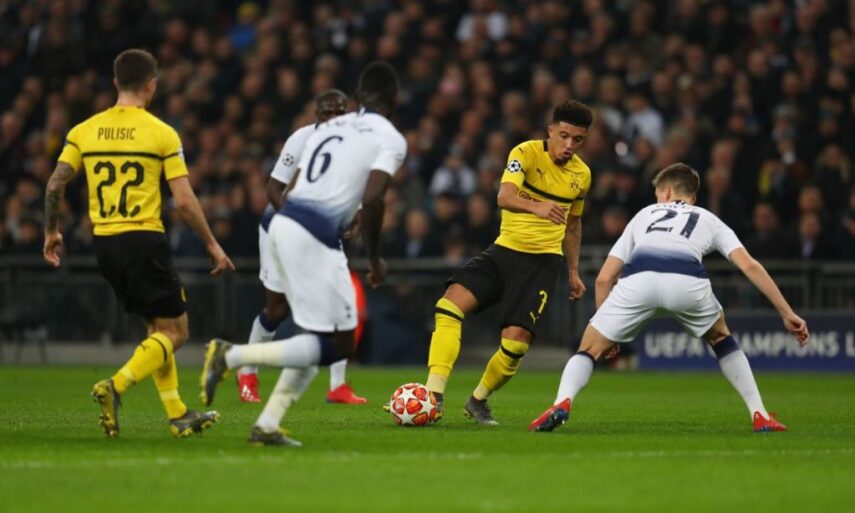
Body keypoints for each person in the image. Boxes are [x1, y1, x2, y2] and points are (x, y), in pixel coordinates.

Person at [200, 61, 406, 446]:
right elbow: (375, 197)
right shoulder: (390, 137)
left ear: (357, 99)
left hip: (287, 223)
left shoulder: (330, 128)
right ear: (394, 99)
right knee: (339, 343)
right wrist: (375, 258)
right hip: (313, 232)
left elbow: (303, 182)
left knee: (324, 337)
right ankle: (231, 356)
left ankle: (267, 424)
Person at [529, 163, 810, 433]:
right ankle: (759, 414)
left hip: (639, 280)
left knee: (588, 349)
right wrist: (786, 312)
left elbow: (604, 278)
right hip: (687, 282)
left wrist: (608, 329)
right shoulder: (709, 218)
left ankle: (562, 402)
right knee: (721, 338)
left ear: (665, 193)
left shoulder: (645, 214)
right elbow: (749, 265)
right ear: (693, 197)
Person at [43, 49, 234, 438]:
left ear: (116, 82)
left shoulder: (84, 130)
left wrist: (52, 231)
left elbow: (55, 184)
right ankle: (115, 386)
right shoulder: (161, 133)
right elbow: (184, 201)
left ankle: (178, 414)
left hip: (104, 244)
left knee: (157, 329)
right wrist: (212, 243)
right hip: (143, 240)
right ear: (151, 85)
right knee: (177, 331)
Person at [424, 100, 593, 425]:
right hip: (504, 251)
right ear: (551, 131)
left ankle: (478, 400)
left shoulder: (582, 175)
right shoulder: (525, 153)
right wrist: (538, 207)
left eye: (578, 139)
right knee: (448, 306)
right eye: (564, 136)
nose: (569, 145)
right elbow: (503, 197)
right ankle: (433, 395)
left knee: (515, 346)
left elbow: (573, 225)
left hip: (542, 263)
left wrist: (573, 271)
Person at [236, 89, 368, 406]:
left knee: (340, 302)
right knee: (277, 310)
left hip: (324, 231)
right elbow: (273, 189)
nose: (333, 119)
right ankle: (247, 371)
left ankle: (338, 386)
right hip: (280, 228)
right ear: (316, 116)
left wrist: (357, 214)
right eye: (327, 113)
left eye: (339, 113)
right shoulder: (301, 139)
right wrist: (299, 224)